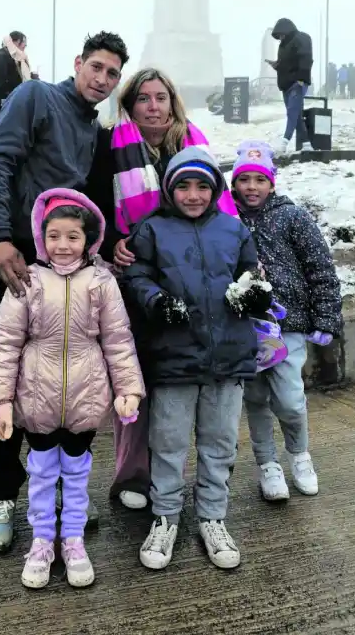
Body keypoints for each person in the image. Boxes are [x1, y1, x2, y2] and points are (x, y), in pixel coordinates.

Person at [0, 30, 129, 553]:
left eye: (112, 74)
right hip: (18, 259)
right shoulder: (36, 97)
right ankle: (0, 494)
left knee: (60, 389)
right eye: (97, 67)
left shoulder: (93, 126)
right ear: (78, 63)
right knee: (11, 381)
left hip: (69, 268)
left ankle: (61, 500)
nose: (103, 80)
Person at [85, 68, 238, 512]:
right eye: (143, 99)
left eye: (161, 97)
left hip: (192, 276)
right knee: (133, 375)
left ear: (173, 102)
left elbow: (220, 208)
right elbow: (93, 201)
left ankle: (190, 470)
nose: (153, 106)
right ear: (129, 105)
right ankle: (134, 474)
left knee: (187, 374)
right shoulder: (109, 144)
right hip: (133, 275)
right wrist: (112, 239)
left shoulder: (193, 144)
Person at [119, 146, 272, 571]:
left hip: (228, 355)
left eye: (201, 186)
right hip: (173, 358)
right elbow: (137, 276)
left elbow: (250, 273)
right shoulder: (152, 230)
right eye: (183, 186)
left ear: (215, 189)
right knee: (167, 443)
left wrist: (255, 292)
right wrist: (156, 301)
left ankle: (212, 516)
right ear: (169, 190)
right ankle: (165, 515)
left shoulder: (233, 229)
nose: (192, 195)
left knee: (219, 443)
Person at [0, 189, 144, 589]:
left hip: (85, 398)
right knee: (40, 472)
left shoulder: (102, 282)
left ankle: (72, 539)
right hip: (37, 397)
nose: (63, 245)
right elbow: (5, 342)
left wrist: (128, 388)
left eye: (73, 236)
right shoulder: (27, 281)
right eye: (54, 235)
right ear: (42, 238)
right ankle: (41, 541)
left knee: (76, 471)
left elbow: (118, 340)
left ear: (88, 239)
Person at [231, 140, 343, 502]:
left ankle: (300, 455)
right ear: (234, 183)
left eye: (259, 180)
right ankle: (268, 465)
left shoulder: (292, 217)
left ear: (272, 183)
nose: (251, 187)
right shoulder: (226, 220)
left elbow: (319, 266)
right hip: (246, 326)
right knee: (257, 398)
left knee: (291, 399)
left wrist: (325, 317)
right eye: (244, 179)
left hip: (288, 324)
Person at [266, 18, 313, 154]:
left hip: (297, 83)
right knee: (296, 115)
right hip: (285, 84)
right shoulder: (282, 45)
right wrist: (276, 65)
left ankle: (284, 143)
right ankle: (307, 144)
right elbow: (285, 65)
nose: (280, 38)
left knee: (292, 112)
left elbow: (306, 59)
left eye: (281, 34)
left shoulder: (302, 38)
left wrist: (301, 79)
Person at [0, 30, 34, 115]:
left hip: (16, 103)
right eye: (24, 43)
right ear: (18, 41)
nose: (25, 46)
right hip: (8, 105)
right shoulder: (2, 56)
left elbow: (18, 78)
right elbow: (1, 82)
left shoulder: (17, 58)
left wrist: (32, 77)